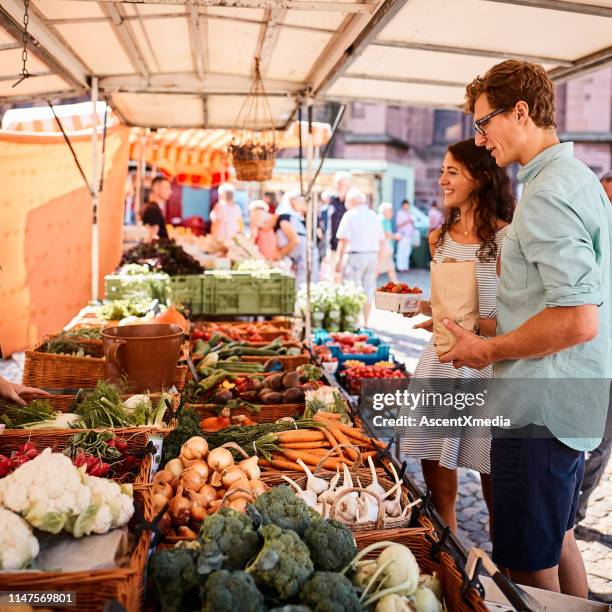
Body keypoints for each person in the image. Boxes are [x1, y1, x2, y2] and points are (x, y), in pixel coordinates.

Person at [441, 60, 611, 597]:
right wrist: (471, 325)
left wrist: (486, 348)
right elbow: (550, 303)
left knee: (529, 567)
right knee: (558, 542)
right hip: (562, 404)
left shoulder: (548, 194)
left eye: (483, 122)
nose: (480, 137)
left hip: (539, 408)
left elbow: (578, 318)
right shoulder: (573, 178)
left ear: (521, 111)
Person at [401, 138, 514, 533]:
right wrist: (425, 309)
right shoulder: (438, 238)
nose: (441, 180)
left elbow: (511, 323)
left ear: (482, 178)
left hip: (486, 371)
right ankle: (446, 561)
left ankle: (503, 579)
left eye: (452, 172)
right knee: (438, 488)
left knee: (495, 486)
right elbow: (445, 305)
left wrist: (464, 324)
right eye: (442, 171)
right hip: (442, 363)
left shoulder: (507, 240)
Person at [576, 171, 612, 524]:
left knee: (601, 444)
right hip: (589, 358)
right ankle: (571, 511)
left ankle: (574, 509)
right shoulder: (589, 242)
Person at [335, 188, 385, 326]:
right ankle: (366, 322)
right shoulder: (373, 215)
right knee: (368, 289)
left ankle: (353, 321)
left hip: (355, 256)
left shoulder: (350, 215)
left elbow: (343, 240)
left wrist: (338, 261)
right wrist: (379, 263)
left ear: (352, 201)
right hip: (372, 256)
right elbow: (382, 241)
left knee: (351, 289)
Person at [275, 189, 318, 288]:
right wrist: (282, 253)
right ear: (293, 201)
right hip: (299, 257)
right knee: (301, 285)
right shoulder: (284, 214)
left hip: (303, 256)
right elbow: (294, 240)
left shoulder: (293, 215)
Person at [326, 171, 351, 276]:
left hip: (347, 247)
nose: (339, 186)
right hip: (332, 244)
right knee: (332, 276)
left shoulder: (352, 200)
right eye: (338, 183)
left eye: (342, 183)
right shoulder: (332, 200)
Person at [377, 202, 399, 283]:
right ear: (385, 211)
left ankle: (397, 287)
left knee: (390, 268)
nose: (392, 213)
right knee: (378, 269)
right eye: (390, 211)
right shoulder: (383, 220)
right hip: (383, 249)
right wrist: (396, 236)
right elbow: (386, 234)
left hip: (385, 249)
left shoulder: (384, 220)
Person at [395, 199, 414, 272]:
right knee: (401, 251)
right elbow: (398, 224)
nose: (407, 207)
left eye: (408, 205)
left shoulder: (409, 213)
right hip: (402, 235)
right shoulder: (400, 213)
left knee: (407, 252)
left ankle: (405, 267)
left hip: (409, 236)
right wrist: (407, 221)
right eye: (405, 205)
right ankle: (399, 267)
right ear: (403, 205)